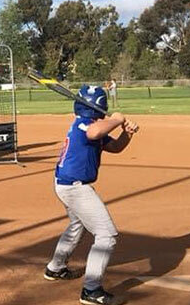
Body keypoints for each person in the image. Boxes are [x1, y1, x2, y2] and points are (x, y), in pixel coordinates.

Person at [43, 85, 139, 305]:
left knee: (77, 225)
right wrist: (117, 119)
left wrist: (127, 133)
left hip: (66, 184)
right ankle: (91, 290)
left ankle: (55, 268)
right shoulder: (85, 125)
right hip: (75, 188)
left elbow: (114, 147)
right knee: (106, 235)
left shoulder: (90, 125)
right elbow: (94, 132)